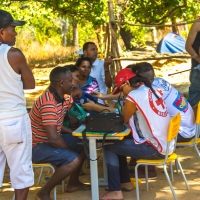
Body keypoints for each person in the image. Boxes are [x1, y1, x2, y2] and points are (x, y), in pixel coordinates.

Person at [100, 68, 173, 200]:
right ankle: (125, 183)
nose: (122, 94)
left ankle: (116, 191)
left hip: (154, 149)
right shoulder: (150, 90)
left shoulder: (134, 96)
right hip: (166, 145)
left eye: (121, 90)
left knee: (108, 145)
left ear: (127, 84)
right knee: (118, 144)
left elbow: (123, 119)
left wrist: (103, 109)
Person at [30, 67, 90, 200]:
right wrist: (71, 151)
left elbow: (59, 124)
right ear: (61, 83)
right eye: (70, 80)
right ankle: (43, 193)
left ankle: (73, 183)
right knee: (74, 160)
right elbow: (53, 139)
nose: (73, 83)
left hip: (49, 141)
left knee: (86, 141)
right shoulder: (48, 103)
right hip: (36, 146)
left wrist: (78, 128)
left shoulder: (64, 98)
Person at [0, 10, 35, 200]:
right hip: (13, 120)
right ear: (1, 32)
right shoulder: (13, 54)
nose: (15, 33)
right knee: (21, 172)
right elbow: (30, 84)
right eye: (12, 29)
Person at [185, 19, 200, 109]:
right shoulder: (198, 23)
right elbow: (188, 46)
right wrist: (198, 60)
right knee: (193, 102)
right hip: (198, 69)